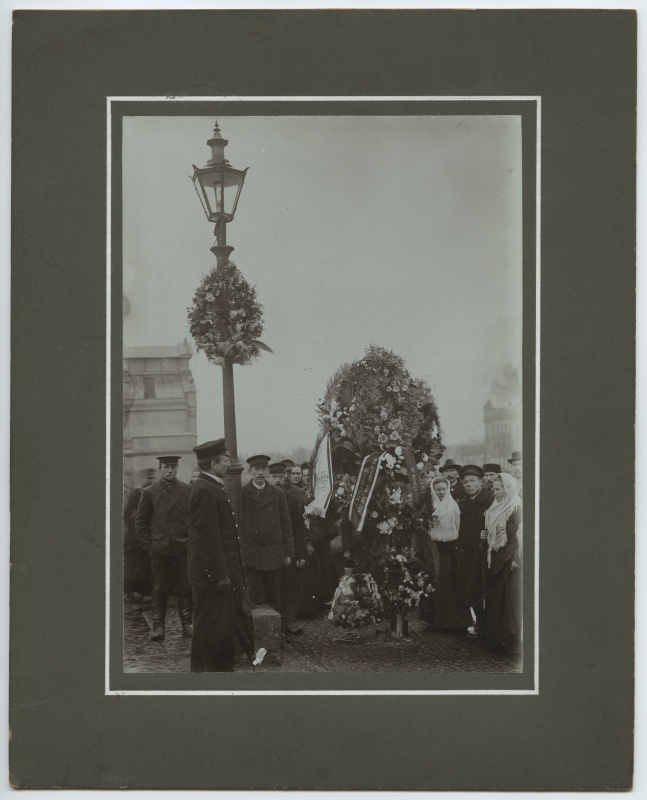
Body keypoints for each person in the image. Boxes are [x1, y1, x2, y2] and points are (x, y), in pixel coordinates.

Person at [188, 438, 245, 673]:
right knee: (209, 629)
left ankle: (219, 674)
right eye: (225, 460)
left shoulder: (211, 486)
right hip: (212, 577)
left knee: (220, 627)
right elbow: (208, 539)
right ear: (213, 464)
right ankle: (205, 678)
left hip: (218, 574)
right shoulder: (205, 490)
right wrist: (221, 575)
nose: (229, 464)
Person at [135, 456, 193, 641]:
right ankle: (158, 626)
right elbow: (141, 521)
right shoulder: (150, 492)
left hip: (182, 547)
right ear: (160, 468)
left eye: (173, 467)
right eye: (166, 467)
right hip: (160, 549)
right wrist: (149, 546)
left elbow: (192, 519)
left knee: (185, 587)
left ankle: (187, 624)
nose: (170, 471)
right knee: (159, 588)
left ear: (177, 468)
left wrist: (190, 541)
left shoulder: (187, 489)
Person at [240, 455, 295, 629]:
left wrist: (288, 552)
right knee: (254, 597)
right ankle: (255, 634)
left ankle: (276, 633)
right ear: (250, 472)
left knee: (274, 596)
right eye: (256, 469)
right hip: (252, 554)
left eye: (264, 469)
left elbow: (286, 524)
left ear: (268, 471)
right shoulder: (242, 493)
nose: (260, 473)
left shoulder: (277, 493)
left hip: (273, 553)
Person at [424, 476, 472, 630]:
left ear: (448, 489)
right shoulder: (430, 507)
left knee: (450, 582)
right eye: (438, 489)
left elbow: (459, 527)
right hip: (436, 548)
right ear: (433, 490)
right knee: (438, 581)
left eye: (444, 489)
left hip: (451, 548)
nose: (441, 492)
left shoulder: (453, 506)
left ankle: (456, 621)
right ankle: (438, 621)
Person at [482, 473, 522, 653]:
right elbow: (491, 532)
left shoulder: (516, 507)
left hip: (511, 557)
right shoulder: (494, 508)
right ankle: (499, 638)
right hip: (496, 556)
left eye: (499, 489)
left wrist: (516, 558)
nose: (495, 493)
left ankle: (514, 641)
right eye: (494, 489)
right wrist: (485, 536)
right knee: (497, 598)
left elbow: (523, 534)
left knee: (510, 599)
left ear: (508, 489)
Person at [268, 462, 307, 637]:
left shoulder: (291, 499)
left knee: (289, 589)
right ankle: (277, 627)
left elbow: (298, 528)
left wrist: (300, 554)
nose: (278, 480)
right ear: (269, 478)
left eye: (281, 476)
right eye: (274, 477)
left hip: (288, 552)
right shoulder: (266, 498)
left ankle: (288, 622)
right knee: (273, 590)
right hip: (270, 553)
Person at [456, 464, 494, 637]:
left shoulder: (490, 500)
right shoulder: (462, 501)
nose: (468, 485)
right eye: (465, 482)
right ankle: (478, 623)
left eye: (472, 481)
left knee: (481, 589)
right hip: (465, 553)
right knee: (468, 588)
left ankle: (486, 626)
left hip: (482, 552)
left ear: (481, 482)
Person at [123, 468, 155, 610]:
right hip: (135, 539)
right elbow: (129, 516)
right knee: (135, 568)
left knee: (146, 567)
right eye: (148, 478)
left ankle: (145, 595)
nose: (150, 480)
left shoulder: (153, 493)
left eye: (152, 478)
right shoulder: (137, 494)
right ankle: (134, 595)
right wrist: (138, 534)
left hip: (148, 538)